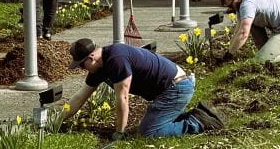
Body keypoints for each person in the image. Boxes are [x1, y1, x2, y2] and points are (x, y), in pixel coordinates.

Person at [59, 38, 198, 138]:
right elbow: (79, 98)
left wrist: (120, 131)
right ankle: (191, 115)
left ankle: (197, 122)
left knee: (148, 133)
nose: (82, 69)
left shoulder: (116, 59)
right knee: (152, 127)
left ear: (91, 57)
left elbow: (123, 98)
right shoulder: (99, 67)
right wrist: (56, 120)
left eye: (82, 65)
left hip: (177, 87)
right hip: (170, 88)